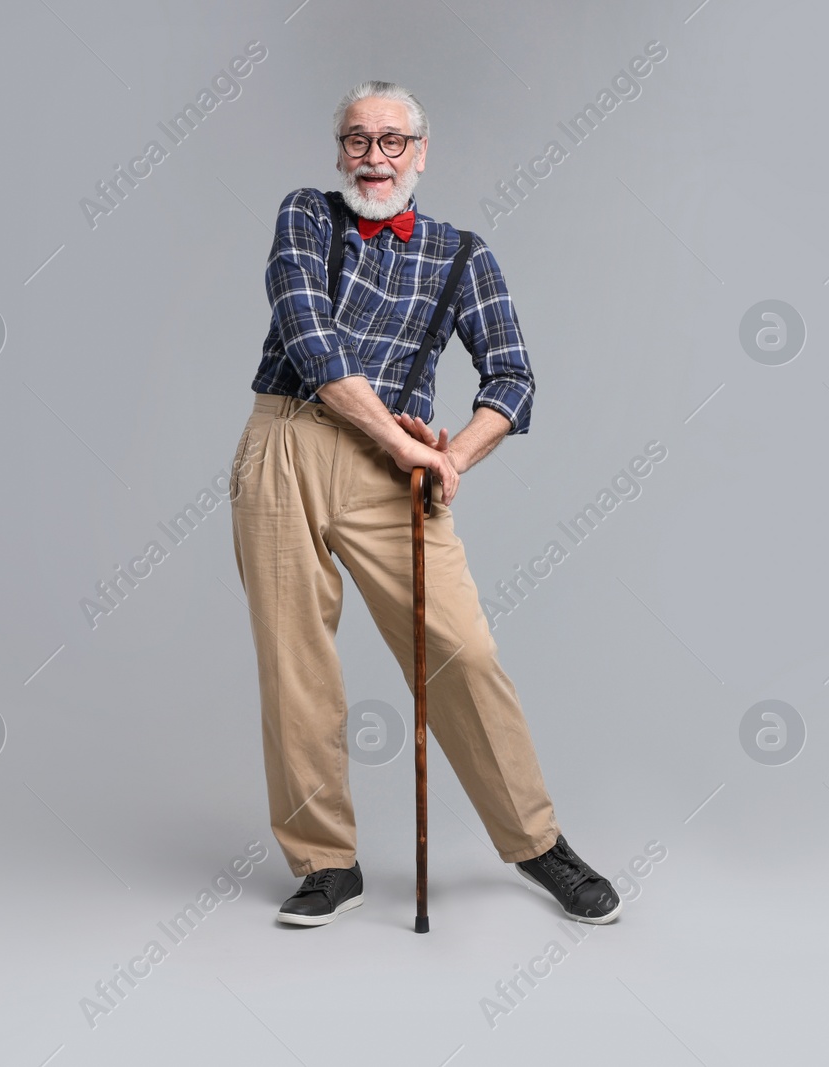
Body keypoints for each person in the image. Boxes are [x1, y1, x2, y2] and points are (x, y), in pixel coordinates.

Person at [229, 80, 620, 928]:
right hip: (289, 440)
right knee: (294, 661)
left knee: (463, 652)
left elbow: (513, 381)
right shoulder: (304, 215)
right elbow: (311, 338)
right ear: (339, 153)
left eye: (393, 142)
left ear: (422, 152)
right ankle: (327, 862)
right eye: (359, 141)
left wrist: (455, 454)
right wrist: (412, 442)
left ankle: (535, 842)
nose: (376, 158)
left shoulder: (462, 254)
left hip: (393, 474)